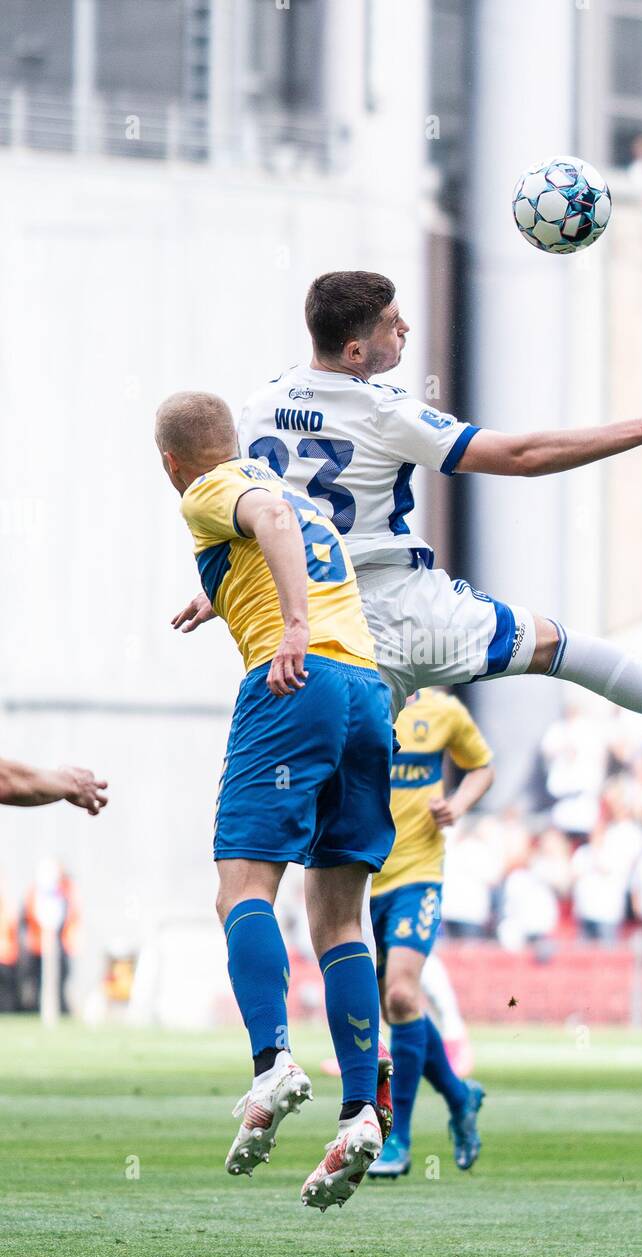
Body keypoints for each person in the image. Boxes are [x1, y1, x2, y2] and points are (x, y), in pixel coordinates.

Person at [174, 271, 642, 771]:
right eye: (392, 324)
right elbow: (521, 456)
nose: (405, 328)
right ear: (356, 352)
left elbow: (264, 509)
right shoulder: (386, 411)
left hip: (332, 630)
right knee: (560, 647)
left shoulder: (256, 408)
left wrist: (217, 586)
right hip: (405, 606)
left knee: (338, 841)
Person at [156, 389, 397, 1212]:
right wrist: (220, 593)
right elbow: (280, 533)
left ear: (172, 463)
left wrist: (289, 626)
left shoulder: (209, 489)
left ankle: (273, 1064)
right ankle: (363, 1110)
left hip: (296, 682)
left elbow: (270, 526)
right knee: (338, 919)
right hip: (366, 696)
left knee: (241, 888)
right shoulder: (282, 485)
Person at [365, 687, 494, 1179]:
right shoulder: (362, 700)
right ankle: (461, 1098)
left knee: (401, 994)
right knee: (401, 1008)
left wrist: (458, 804)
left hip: (418, 876)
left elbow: (482, 766)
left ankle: (396, 1139)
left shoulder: (442, 712)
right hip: (360, 880)